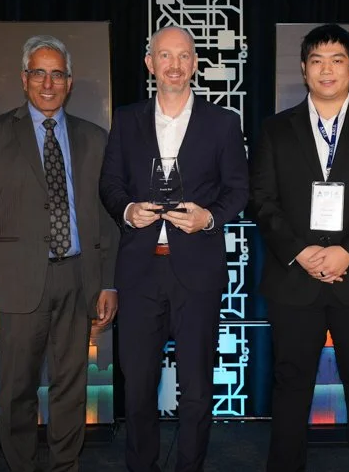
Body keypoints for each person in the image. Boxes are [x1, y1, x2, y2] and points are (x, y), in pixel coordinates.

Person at [250, 24, 349, 472]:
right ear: (303, 70)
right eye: (317, 60)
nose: (327, 69)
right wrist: (301, 252)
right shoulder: (275, 130)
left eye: (337, 60)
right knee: (290, 385)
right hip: (293, 279)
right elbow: (262, 200)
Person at [0, 34, 119, 472]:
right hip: (14, 285)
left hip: (78, 278)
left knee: (72, 385)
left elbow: (107, 219)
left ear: (69, 82)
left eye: (57, 74)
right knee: (17, 387)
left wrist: (108, 281)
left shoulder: (95, 138)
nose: (48, 83)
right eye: (39, 73)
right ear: (24, 79)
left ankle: (64, 466)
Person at [99, 26, 249, 472]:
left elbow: (239, 190)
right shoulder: (127, 120)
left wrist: (210, 218)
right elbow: (109, 185)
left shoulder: (222, 123)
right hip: (140, 271)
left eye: (183, 56)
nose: (174, 65)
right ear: (150, 64)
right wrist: (127, 211)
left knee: (198, 388)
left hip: (197, 270)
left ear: (195, 63)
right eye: (165, 56)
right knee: (139, 386)